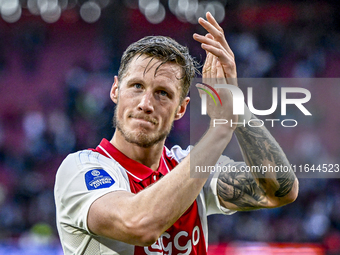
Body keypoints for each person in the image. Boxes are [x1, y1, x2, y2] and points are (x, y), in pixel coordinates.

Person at [54, 12, 298, 255]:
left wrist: (238, 109)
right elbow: (140, 225)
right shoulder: (81, 169)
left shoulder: (189, 166)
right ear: (116, 90)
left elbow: (280, 190)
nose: (146, 103)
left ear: (181, 108)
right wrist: (222, 127)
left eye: (163, 93)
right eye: (137, 86)